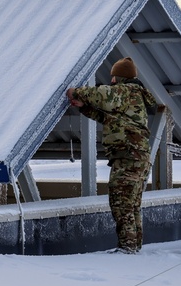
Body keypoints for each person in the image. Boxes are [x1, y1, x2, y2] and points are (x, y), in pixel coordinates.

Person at [66, 57, 155, 253]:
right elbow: (107, 117)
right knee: (131, 205)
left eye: (114, 77)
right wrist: (84, 107)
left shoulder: (126, 91)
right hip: (137, 157)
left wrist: (76, 92)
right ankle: (134, 246)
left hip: (128, 157)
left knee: (121, 203)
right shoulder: (132, 97)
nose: (112, 81)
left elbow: (103, 95)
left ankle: (127, 248)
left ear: (119, 77)